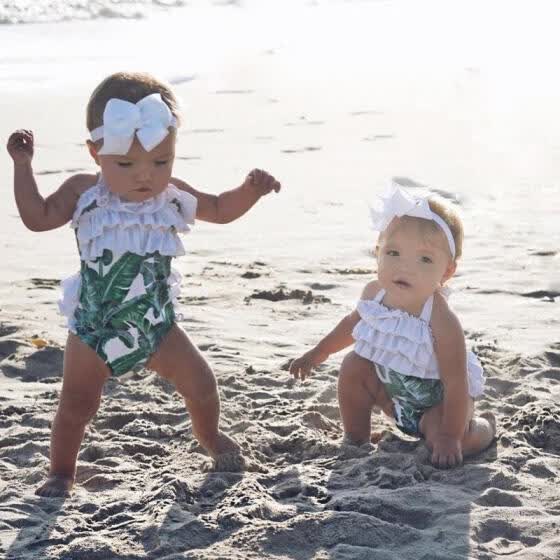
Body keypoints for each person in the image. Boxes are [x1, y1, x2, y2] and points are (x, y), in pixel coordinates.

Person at [7, 71, 281, 497]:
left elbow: (221, 208)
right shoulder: (84, 192)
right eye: (126, 164)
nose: (145, 176)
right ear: (96, 152)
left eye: (160, 161)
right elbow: (37, 217)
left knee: (202, 384)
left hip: (157, 325)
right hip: (96, 328)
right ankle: (61, 472)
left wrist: (250, 190)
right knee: (77, 406)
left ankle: (209, 436)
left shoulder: (171, 195)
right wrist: (23, 167)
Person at [290, 184, 495, 468]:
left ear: (446, 271)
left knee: (447, 439)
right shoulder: (375, 294)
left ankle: (484, 428)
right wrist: (318, 352)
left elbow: (456, 382)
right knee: (354, 364)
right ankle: (356, 438)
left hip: (438, 407)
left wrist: (450, 434)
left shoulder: (440, 318)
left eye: (424, 259)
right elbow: (351, 325)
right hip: (394, 396)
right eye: (394, 253)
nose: (405, 267)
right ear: (378, 252)